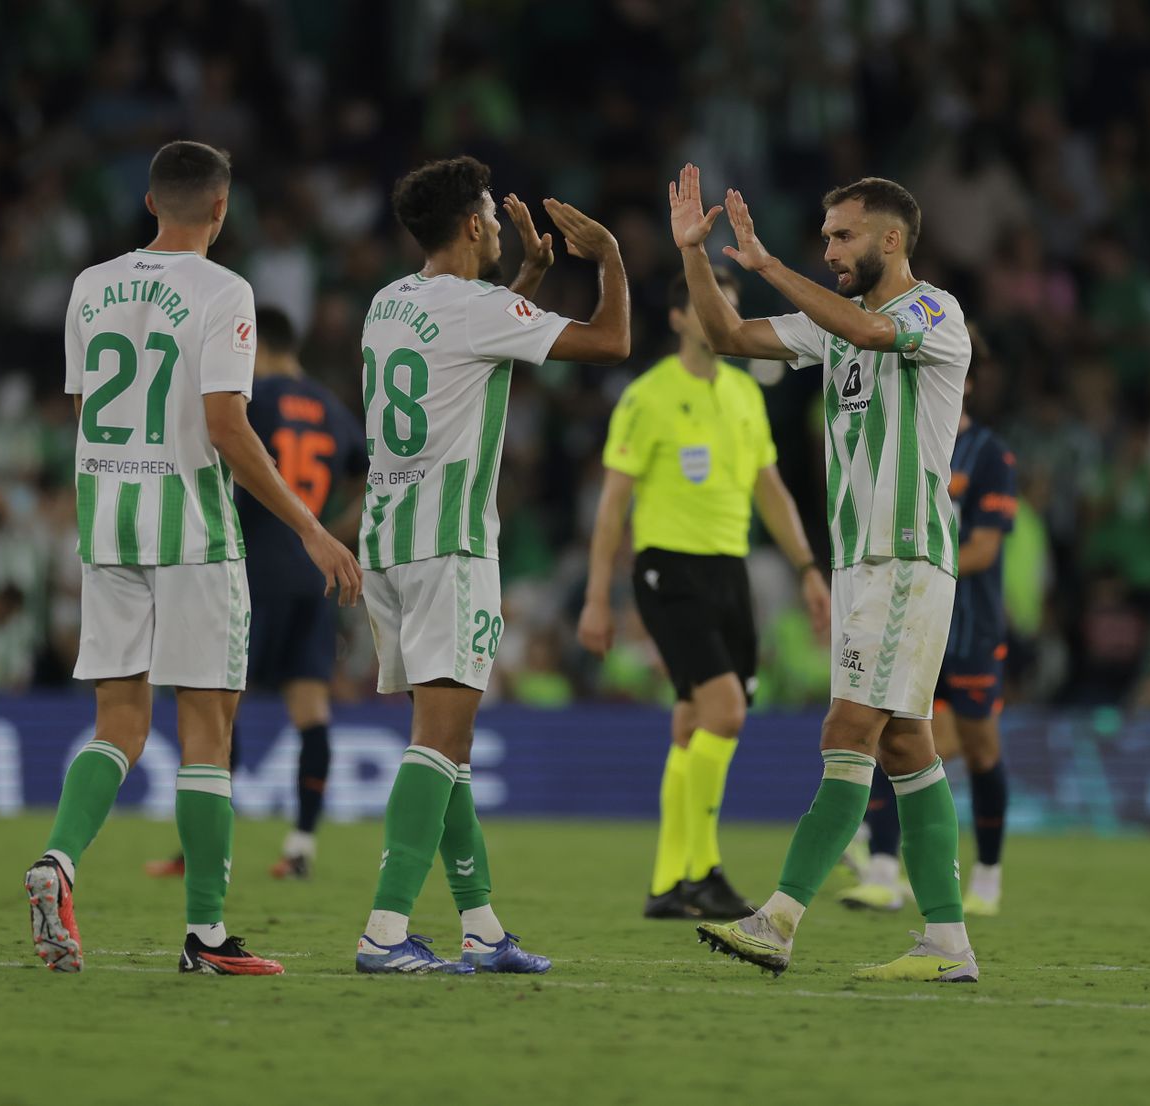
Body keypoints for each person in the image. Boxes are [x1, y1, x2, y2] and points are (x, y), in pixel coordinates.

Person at [22, 141, 361, 976]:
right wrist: (311, 527)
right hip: (193, 535)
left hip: (108, 528)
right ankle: (206, 936)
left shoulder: (90, 286)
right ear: (220, 208)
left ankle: (58, 862)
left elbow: (80, 408)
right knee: (207, 731)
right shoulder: (226, 291)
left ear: (148, 203)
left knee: (120, 725)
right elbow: (226, 426)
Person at [671, 163, 978, 982]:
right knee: (906, 745)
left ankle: (778, 920)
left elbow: (875, 333)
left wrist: (769, 265)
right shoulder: (834, 324)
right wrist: (697, 257)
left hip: (904, 555)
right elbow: (731, 339)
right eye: (825, 237)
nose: (831, 249)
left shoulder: (932, 311)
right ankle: (947, 944)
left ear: (891, 238)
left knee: (846, 734)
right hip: (862, 563)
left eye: (842, 236)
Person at [354, 156, 630, 974]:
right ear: (474, 224)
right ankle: (383, 931)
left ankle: (478, 926)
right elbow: (610, 342)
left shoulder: (386, 303)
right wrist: (609, 257)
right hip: (451, 547)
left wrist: (528, 278)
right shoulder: (482, 307)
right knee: (439, 744)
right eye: (493, 215)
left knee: (452, 745)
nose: (502, 226)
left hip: (389, 543)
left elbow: (470, 348)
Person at [577, 269, 830, 922]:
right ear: (679, 318)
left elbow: (769, 488)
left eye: (731, 306)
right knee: (725, 712)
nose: (723, 315)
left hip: (730, 571)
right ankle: (702, 871)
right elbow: (612, 507)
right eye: (709, 305)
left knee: (694, 720)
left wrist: (806, 566)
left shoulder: (746, 394)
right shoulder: (648, 396)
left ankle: (668, 883)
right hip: (669, 569)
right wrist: (596, 597)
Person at [141, 306, 368, 880]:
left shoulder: (254, 399)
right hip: (313, 570)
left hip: (251, 567)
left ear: (257, 344)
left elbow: (224, 448)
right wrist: (328, 533)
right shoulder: (334, 410)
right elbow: (371, 480)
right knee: (311, 709)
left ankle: (202, 850)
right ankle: (300, 848)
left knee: (218, 707)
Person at [842, 382, 1016, 916]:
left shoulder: (989, 455)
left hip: (969, 627)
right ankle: (881, 868)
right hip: (912, 617)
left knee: (978, 747)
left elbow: (985, 548)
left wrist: (920, 565)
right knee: (892, 732)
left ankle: (986, 875)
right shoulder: (901, 446)